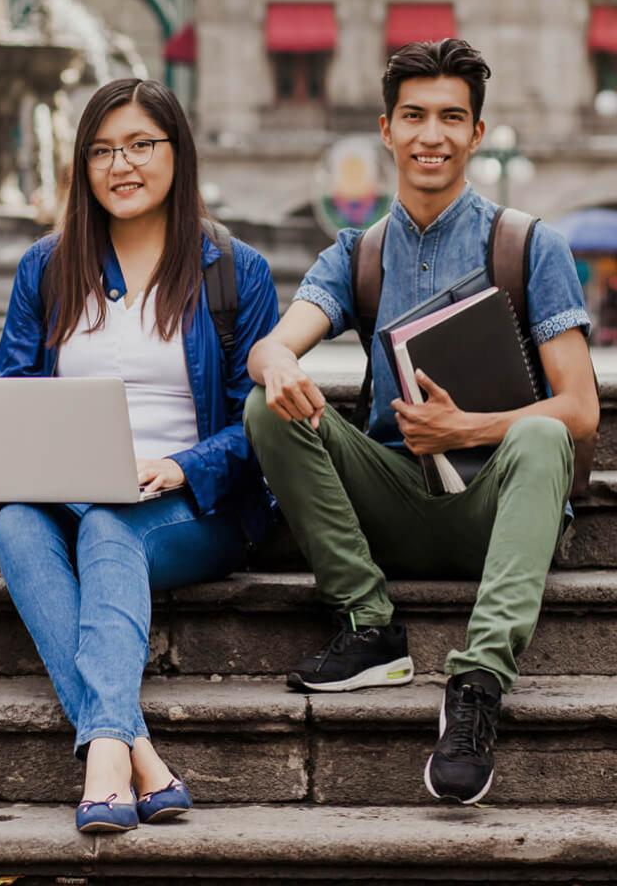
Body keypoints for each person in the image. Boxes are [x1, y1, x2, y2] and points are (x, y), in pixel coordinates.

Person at [244, 39, 599, 807]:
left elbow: (578, 410)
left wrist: (466, 429)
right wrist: (274, 360)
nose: (430, 134)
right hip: (394, 501)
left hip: (498, 508)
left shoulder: (530, 245)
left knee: (539, 435)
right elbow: (278, 339)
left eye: (450, 117)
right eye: (414, 116)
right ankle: (371, 628)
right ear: (386, 128)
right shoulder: (357, 253)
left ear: (476, 134)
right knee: (264, 403)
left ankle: (475, 685)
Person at [0, 78, 278, 833]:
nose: (122, 164)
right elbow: (9, 395)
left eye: (141, 145)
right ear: (82, 166)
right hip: (69, 492)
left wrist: (182, 466)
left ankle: (107, 756)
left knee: (110, 525)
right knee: (15, 526)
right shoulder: (48, 269)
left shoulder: (232, 271)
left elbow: (260, 421)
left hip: (194, 503)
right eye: (102, 150)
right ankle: (127, 746)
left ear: (177, 154)